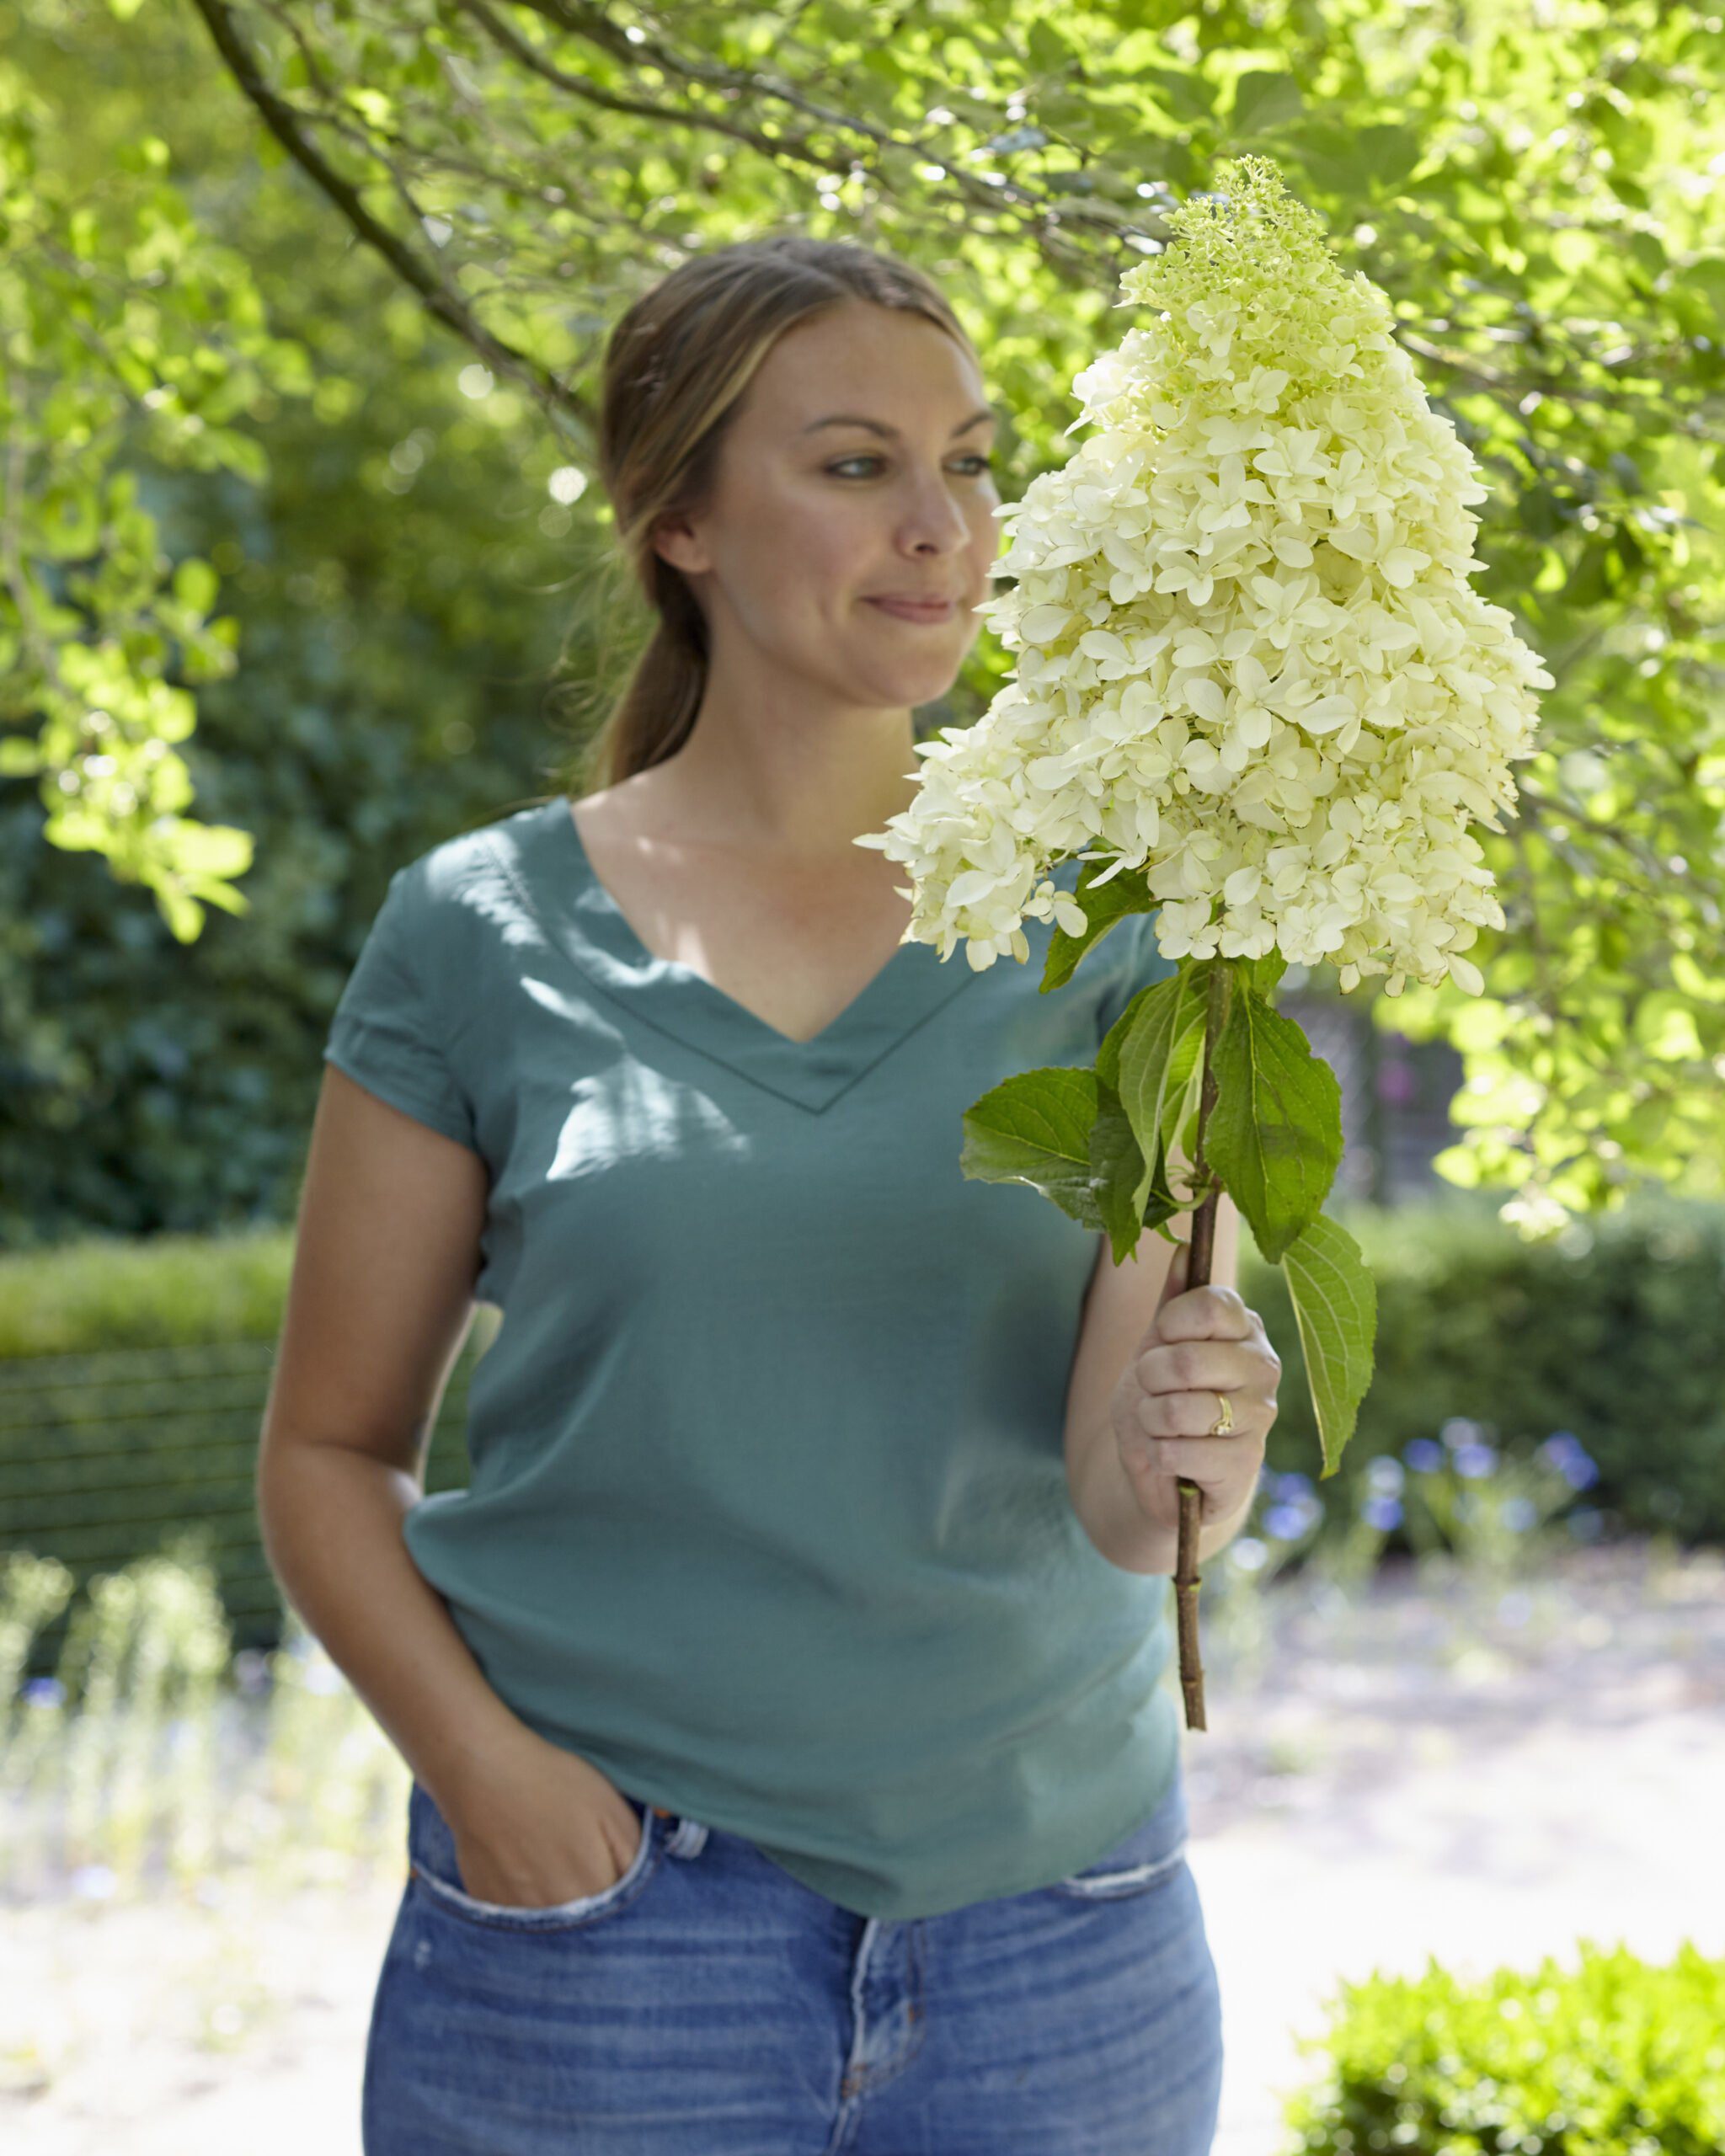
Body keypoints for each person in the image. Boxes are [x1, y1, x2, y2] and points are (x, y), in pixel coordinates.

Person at [259, 232, 1281, 2154]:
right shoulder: (476, 932)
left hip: (1057, 1940)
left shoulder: (1127, 925)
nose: (940, 525)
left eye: (969, 460)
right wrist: (489, 1775)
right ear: (679, 524)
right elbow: (324, 1449)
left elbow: (1133, 1510)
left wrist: (1203, 1434)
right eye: (851, 464)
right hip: (606, 1939)